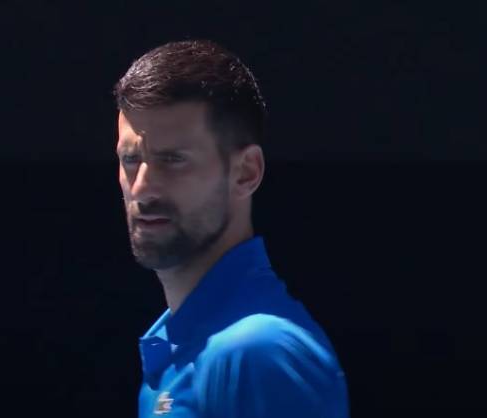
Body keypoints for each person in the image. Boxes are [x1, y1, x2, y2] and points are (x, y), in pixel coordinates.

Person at [113, 40, 350, 418]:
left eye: (172, 159)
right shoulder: (183, 343)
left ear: (246, 172)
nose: (141, 187)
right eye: (130, 159)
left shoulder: (257, 351)